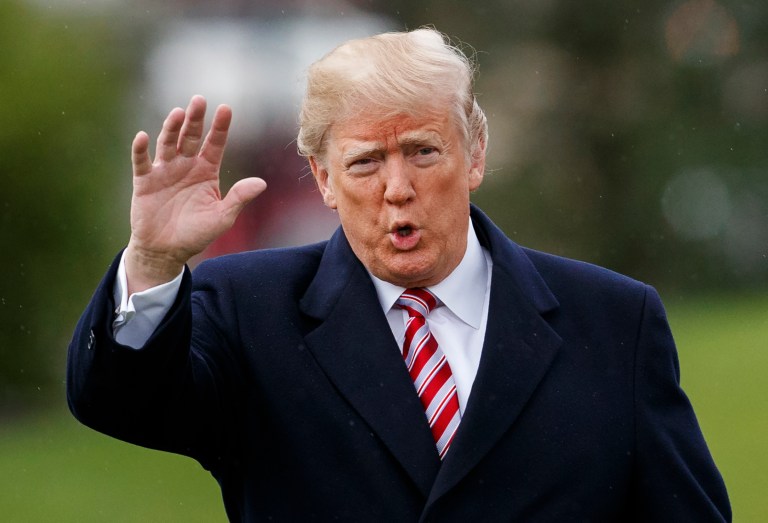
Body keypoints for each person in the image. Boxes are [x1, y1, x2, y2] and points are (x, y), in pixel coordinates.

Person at [67, 28, 731, 521]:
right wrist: (154, 262)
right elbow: (118, 401)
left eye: (422, 151)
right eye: (364, 163)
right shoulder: (247, 310)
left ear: (475, 153)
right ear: (324, 178)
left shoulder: (616, 321)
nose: (397, 188)